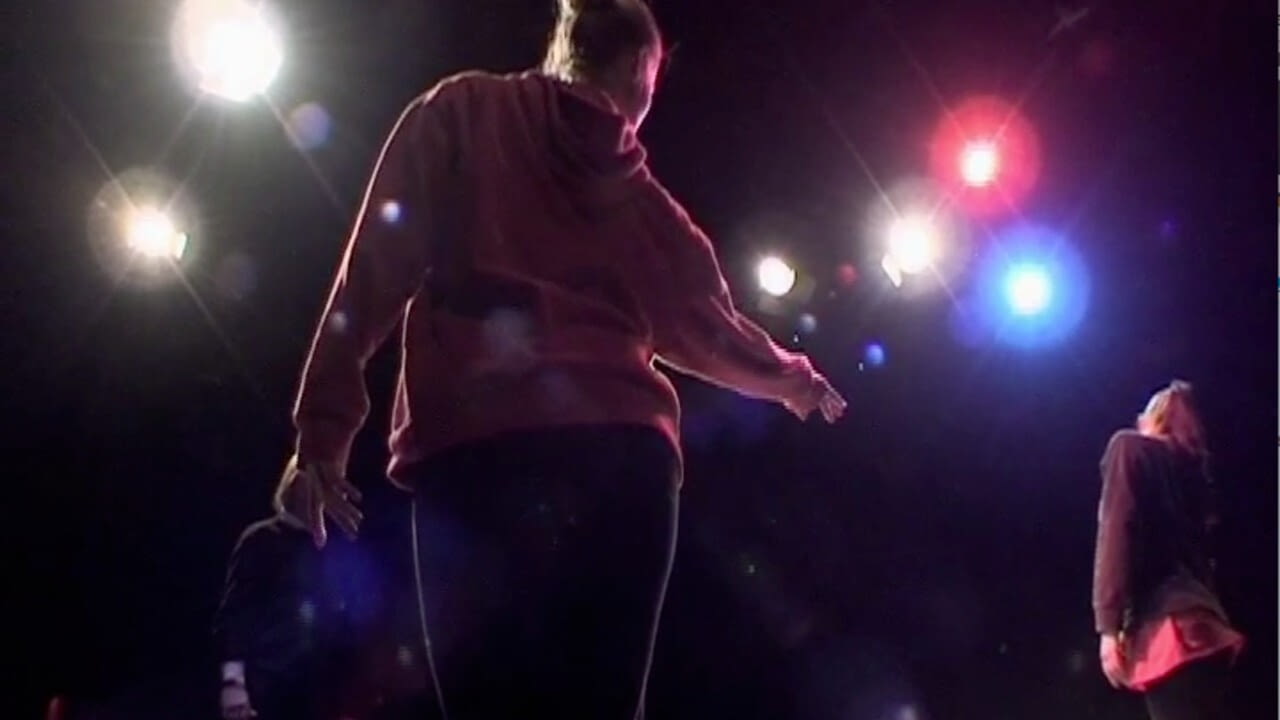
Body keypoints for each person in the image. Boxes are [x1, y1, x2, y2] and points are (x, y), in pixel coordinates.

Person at [283, 0, 847, 716]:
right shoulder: (646, 208)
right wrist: (792, 381)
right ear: (639, 71)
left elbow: (371, 271)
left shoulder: (460, 111)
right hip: (619, 459)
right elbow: (710, 328)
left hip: (477, 454)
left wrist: (323, 431)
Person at [1092, 380, 1245, 720]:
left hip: (1170, 628)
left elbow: (1117, 530)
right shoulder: (1194, 483)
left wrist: (1108, 625)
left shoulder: (1130, 449)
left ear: (1155, 418)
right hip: (1209, 628)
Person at [213, 459, 385, 720]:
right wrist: (233, 684)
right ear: (293, 483)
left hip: (318, 698)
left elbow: (344, 626)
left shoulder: (329, 549)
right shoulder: (263, 538)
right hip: (270, 693)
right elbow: (235, 617)